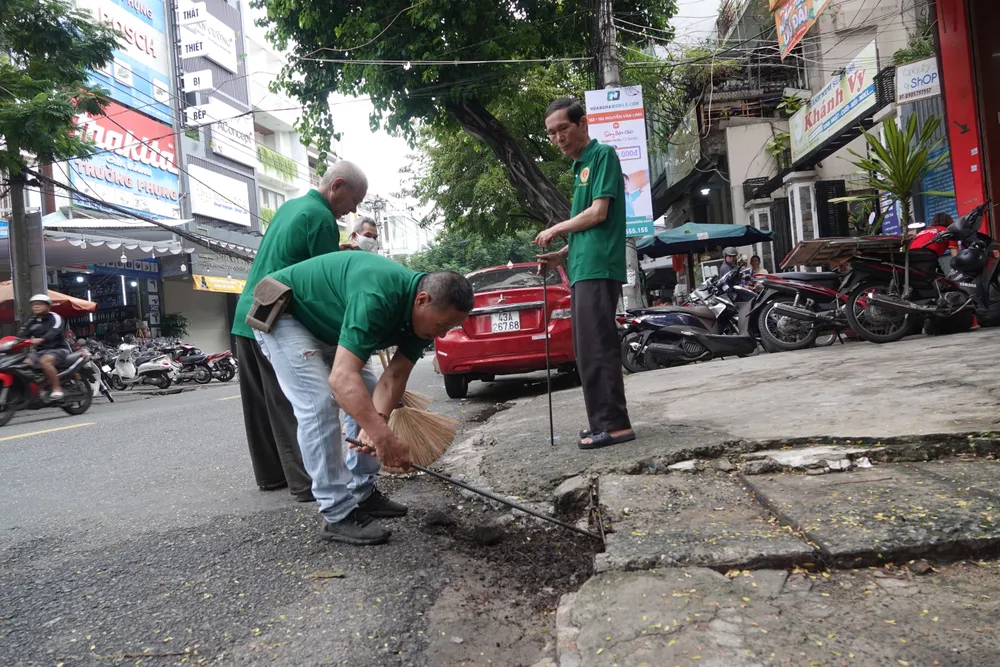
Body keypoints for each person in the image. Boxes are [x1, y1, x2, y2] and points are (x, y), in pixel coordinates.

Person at [252, 252, 473, 545]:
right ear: (422, 300)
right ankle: (337, 512)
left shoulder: (426, 319)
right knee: (318, 403)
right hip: (286, 312)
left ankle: (362, 492)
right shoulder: (378, 294)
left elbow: (394, 376)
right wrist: (384, 439)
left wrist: (376, 424)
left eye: (449, 328)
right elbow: (342, 380)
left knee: (368, 398)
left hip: (330, 324)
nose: (442, 333)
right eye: (443, 325)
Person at [232, 160, 368, 502]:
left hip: (248, 311)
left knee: (261, 407)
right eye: (354, 200)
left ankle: (272, 477)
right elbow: (324, 283)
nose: (354, 210)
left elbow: (295, 258)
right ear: (336, 186)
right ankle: (307, 482)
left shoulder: (292, 207)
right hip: (275, 317)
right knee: (296, 404)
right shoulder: (322, 218)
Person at [534, 97, 635, 450]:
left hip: (598, 268)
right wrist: (560, 256)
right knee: (585, 348)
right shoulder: (579, 169)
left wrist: (555, 230)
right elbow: (586, 231)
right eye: (551, 133)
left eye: (563, 128)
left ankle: (615, 425)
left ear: (582, 124)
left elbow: (598, 214)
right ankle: (600, 422)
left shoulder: (602, 155)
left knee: (597, 347)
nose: (558, 138)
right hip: (582, 268)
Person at [19, 294, 67, 399]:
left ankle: (56, 388)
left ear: (48, 306)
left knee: (45, 361)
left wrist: (43, 339)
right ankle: (35, 389)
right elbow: (22, 334)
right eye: (34, 305)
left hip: (58, 349)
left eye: (39, 304)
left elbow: (56, 330)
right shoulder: (31, 321)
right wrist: (15, 342)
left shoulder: (55, 317)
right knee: (24, 364)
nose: (36, 306)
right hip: (39, 351)